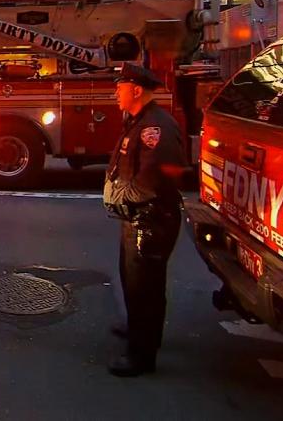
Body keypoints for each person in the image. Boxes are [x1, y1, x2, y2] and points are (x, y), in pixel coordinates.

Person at [102, 62, 187, 377]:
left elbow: (157, 178)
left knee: (145, 287)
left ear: (136, 90)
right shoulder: (138, 120)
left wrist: (121, 196)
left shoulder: (155, 127)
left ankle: (142, 355)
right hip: (137, 217)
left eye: (120, 88)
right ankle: (137, 329)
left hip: (151, 219)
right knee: (132, 280)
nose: (116, 94)